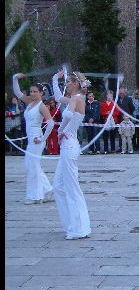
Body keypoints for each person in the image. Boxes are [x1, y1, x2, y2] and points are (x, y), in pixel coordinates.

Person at [51, 69, 91, 240]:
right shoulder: (73, 98)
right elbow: (58, 98)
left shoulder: (77, 98)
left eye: (68, 81)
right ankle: (71, 224)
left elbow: (68, 115)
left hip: (70, 145)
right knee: (58, 186)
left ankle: (79, 228)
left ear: (75, 84)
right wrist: (55, 78)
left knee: (71, 187)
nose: (65, 84)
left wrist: (62, 131)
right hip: (67, 144)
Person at [12, 74, 55, 204]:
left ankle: (35, 196)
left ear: (41, 93)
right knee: (31, 165)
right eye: (31, 91)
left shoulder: (42, 106)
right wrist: (15, 78)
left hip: (36, 138)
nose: (32, 94)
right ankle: (47, 189)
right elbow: (18, 93)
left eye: (35, 91)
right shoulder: (29, 102)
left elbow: (51, 123)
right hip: (31, 138)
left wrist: (42, 139)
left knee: (32, 166)